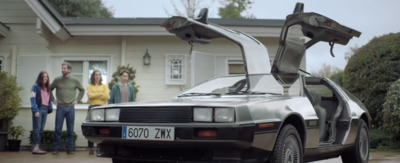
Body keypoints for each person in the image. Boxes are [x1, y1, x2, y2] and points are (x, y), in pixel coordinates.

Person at [50, 62, 84, 155]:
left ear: (69, 70)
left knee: (70, 129)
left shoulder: (74, 80)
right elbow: (50, 89)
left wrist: (78, 99)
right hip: (60, 107)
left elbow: (82, 89)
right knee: (58, 129)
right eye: (62, 68)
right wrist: (53, 99)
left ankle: (69, 149)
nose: (62, 70)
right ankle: (56, 148)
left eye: (64, 68)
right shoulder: (57, 80)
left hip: (70, 107)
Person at [30, 71, 53, 154]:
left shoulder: (47, 88)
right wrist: (35, 110)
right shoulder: (35, 86)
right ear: (40, 78)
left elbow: (49, 100)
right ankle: (35, 148)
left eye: (47, 76)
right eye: (44, 76)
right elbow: (32, 99)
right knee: (37, 129)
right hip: (38, 109)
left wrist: (50, 107)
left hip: (45, 110)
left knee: (41, 130)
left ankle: (36, 146)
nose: (46, 78)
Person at [86, 69, 108, 154]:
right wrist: (100, 94)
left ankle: (99, 147)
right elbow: (90, 96)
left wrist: (94, 94)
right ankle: (91, 147)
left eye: (99, 75)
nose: (97, 76)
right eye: (96, 75)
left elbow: (105, 96)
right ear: (93, 76)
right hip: (92, 107)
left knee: (101, 127)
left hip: (102, 107)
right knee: (90, 127)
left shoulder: (104, 86)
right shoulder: (89, 86)